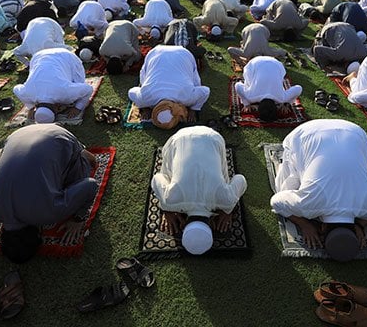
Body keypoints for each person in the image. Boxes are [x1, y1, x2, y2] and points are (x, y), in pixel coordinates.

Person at [0, 124, 98, 263]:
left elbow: (90, 184)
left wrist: (78, 218)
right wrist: (4, 215)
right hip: (17, 136)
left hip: (59, 137)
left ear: (39, 233)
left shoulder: (49, 214)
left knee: (80, 175)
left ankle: (80, 153)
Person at [270, 119, 367, 262]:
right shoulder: (307, 205)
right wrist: (304, 224)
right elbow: (276, 201)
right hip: (303, 134)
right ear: (322, 227)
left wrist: (360, 224)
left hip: (355, 132)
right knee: (282, 188)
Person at [152, 126, 247, 255]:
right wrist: (167, 208)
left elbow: (240, 180)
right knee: (168, 176)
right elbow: (157, 179)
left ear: (212, 225)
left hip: (211, 138)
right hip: (187, 138)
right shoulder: (170, 200)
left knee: (224, 178)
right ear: (184, 224)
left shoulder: (226, 200)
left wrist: (227, 209)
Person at [127, 45, 209, 129]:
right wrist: (144, 105)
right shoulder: (145, 99)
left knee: (195, 84)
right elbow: (132, 92)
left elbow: (205, 91)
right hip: (164, 53)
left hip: (174, 54)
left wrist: (193, 109)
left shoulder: (187, 98)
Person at [13, 48, 95, 123]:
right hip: (38, 56)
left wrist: (78, 108)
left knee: (79, 82)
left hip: (67, 56)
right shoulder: (28, 94)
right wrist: (31, 107)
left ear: (56, 108)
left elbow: (88, 89)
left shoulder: (66, 94)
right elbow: (16, 89)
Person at [234, 56, 302, 121]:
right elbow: (237, 86)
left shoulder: (281, 98)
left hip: (272, 63)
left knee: (251, 83)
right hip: (263, 63)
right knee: (249, 84)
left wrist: (246, 104)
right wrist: (287, 104)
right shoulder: (250, 97)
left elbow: (299, 89)